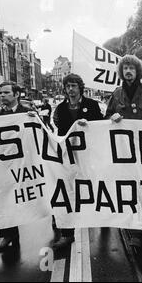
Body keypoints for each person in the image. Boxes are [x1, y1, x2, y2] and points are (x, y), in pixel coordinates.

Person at [105, 54, 142, 248]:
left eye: (132, 68)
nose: (128, 71)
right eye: (125, 68)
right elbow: (106, 116)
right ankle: (134, 224)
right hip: (124, 149)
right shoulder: (116, 93)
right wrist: (112, 117)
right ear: (121, 72)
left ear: (137, 71)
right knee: (129, 186)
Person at [52, 73, 103, 250]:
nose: (71, 89)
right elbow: (58, 129)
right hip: (70, 156)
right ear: (65, 89)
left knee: (94, 187)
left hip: (88, 155)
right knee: (68, 191)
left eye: (74, 86)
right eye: (68, 87)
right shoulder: (60, 108)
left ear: (80, 88)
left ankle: (103, 217)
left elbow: (101, 127)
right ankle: (67, 233)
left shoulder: (92, 105)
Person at [0, 82, 32, 254]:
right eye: (0, 93)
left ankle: (56, 219)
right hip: (7, 165)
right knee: (6, 197)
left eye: (6, 92)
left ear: (16, 95)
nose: (2, 96)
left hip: (28, 163)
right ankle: (9, 234)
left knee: (37, 192)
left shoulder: (27, 114)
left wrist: (33, 119)